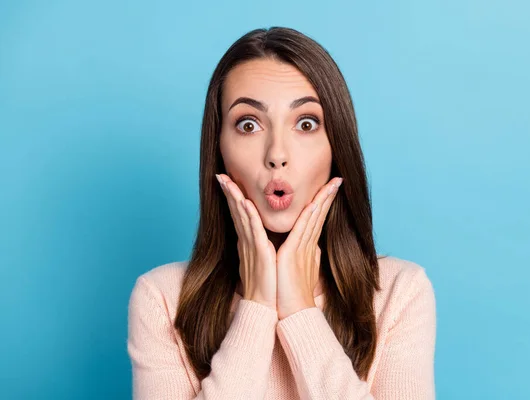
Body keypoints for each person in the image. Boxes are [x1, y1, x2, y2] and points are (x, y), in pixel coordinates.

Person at [127, 26, 436, 399]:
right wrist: (256, 308)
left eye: (306, 124)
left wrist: (300, 312)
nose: (277, 154)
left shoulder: (399, 293)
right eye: (248, 124)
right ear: (218, 148)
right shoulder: (163, 299)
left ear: (337, 147)